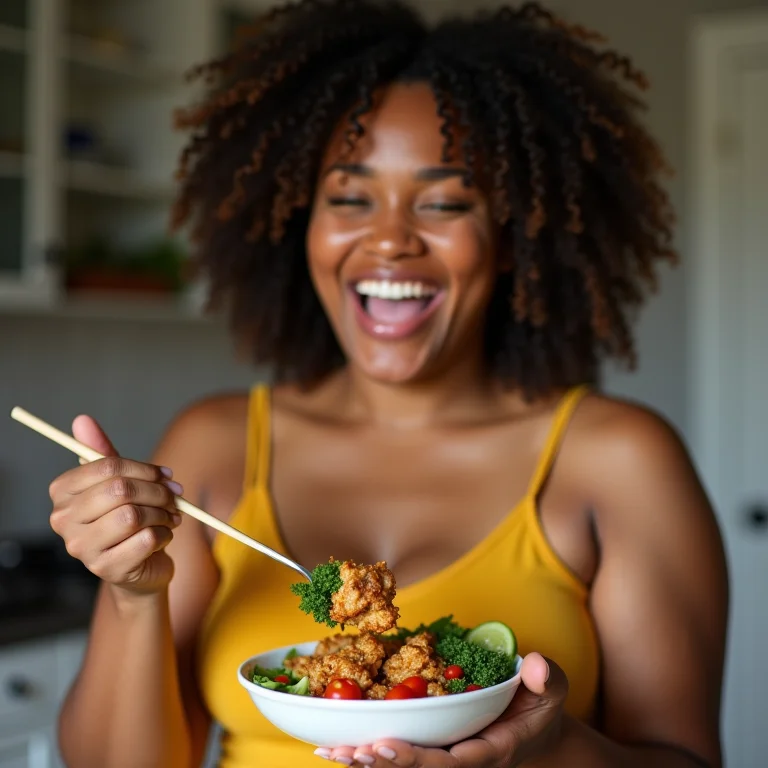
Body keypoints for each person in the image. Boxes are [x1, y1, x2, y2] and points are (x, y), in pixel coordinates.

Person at [46, 1, 728, 766]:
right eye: (349, 197)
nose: (390, 239)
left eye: (443, 201)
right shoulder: (212, 447)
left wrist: (544, 749)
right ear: (301, 223)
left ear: (510, 239)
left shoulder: (620, 459)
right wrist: (134, 594)